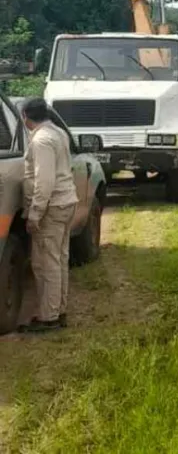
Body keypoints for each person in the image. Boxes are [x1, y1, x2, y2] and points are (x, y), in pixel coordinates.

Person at [20, 98, 77, 333]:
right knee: (59, 259)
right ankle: (58, 310)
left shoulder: (42, 140)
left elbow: (44, 182)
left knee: (46, 262)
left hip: (51, 207)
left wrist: (35, 214)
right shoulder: (58, 133)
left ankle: (49, 317)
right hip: (66, 203)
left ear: (25, 117)